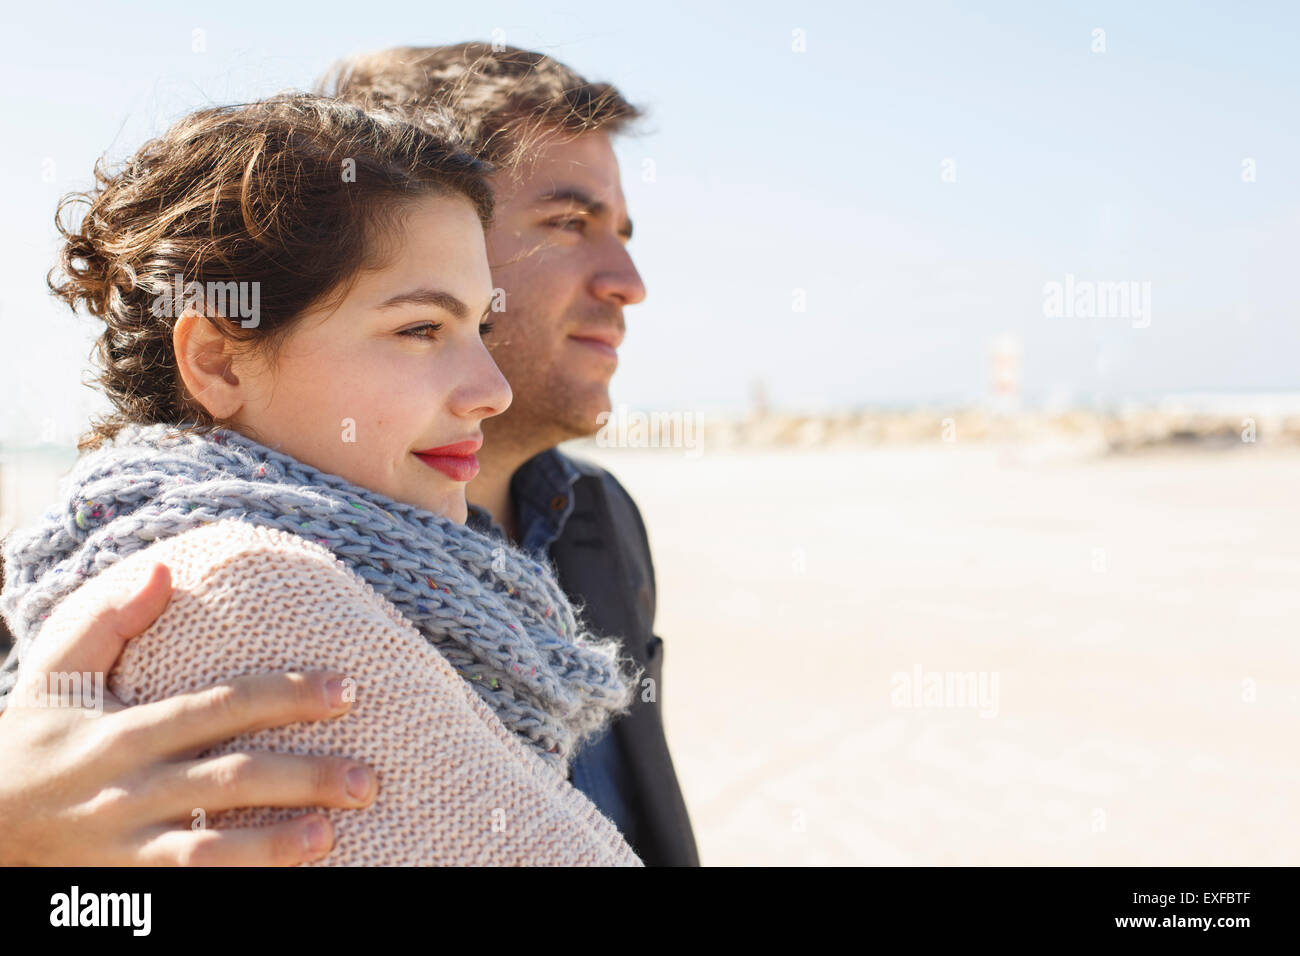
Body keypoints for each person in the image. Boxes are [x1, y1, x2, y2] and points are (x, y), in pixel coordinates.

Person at [0, 43, 699, 867]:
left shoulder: (597, 523)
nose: (628, 278)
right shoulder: (230, 589)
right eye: (567, 223)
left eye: (475, 323)